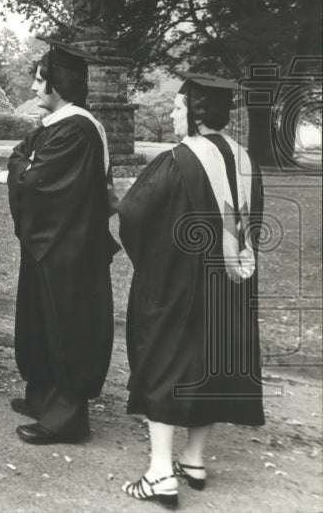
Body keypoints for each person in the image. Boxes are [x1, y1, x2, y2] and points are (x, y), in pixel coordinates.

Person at [117, 75, 264, 507]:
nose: (172, 113)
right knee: (209, 365)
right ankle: (194, 459)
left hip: (179, 282)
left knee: (164, 362)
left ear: (196, 112)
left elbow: (134, 213)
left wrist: (150, 261)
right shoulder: (245, 159)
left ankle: (160, 474)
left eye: (178, 108)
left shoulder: (179, 158)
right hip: (232, 284)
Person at [6, 39, 119, 444]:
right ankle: (43, 397)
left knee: (66, 328)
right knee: (42, 325)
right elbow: (23, 158)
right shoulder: (60, 126)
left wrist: (24, 167)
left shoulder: (77, 129)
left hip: (68, 249)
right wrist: (25, 164)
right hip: (51, 245)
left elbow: (37, 182)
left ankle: (66, 418)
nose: (35, 90)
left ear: (59, 85)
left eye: (40, 81)